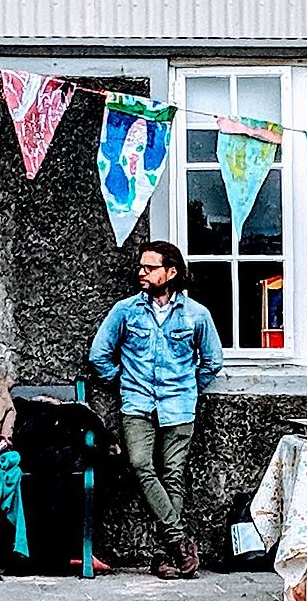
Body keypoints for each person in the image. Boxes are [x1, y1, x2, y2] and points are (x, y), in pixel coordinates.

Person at [89, 240, 225, 579]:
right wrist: (124, 381)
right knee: (139, 465)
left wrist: (188, 386)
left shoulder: (197, 315)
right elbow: (99, 355)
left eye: (150, 268)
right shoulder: (126, 311)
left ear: (171, 272)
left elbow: (212, 361)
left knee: (173, 477)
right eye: (141, 267)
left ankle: (164, 557)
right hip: (137, 403)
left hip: (179, 407)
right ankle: (180, 540)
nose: (141, 272)